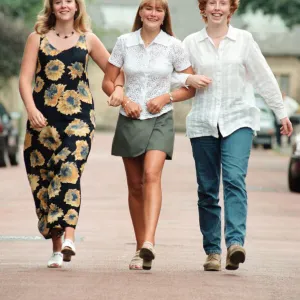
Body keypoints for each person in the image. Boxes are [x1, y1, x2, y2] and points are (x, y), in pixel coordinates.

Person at [173, 0, 293, 271]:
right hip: (203, 122)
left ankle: (235, 244)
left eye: (223, 3)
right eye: (211, 2)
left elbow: (264, 78)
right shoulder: (190, 43)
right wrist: (187, 80)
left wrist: (281, 113)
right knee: (207, 189)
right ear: (203, 8)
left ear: (231, 8)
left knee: (234, 178)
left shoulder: (244, 40)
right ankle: (213, 251)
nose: (217, 7)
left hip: (238, 119)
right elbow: (170, 75)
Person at [19, 0, 123, 268]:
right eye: (58, 1)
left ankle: (70, 237)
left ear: (77, 7)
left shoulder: (89, 39)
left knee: (68, 170)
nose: (64, 5)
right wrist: (31, 110)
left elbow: (115, 71)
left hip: (78, 119)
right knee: (44, 182)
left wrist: (119, 89)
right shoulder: (37, 38)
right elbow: (25, 79)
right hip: (41, 121)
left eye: (69, 1)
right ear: (52, 7)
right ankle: (57, 250)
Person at [102, 0, 195, 270]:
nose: (153, 13)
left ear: (164, 15)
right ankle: (138, 246)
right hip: (129, 118)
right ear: (140, 13)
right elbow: (108, 81)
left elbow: (189, 87)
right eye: (148, 8)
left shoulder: (174, 47)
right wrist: (122, 98)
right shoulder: (124, 42)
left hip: (160, 119)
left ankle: (148, 243)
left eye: (159, 9)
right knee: (134, 185)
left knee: (151, 175)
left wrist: (166, 97)